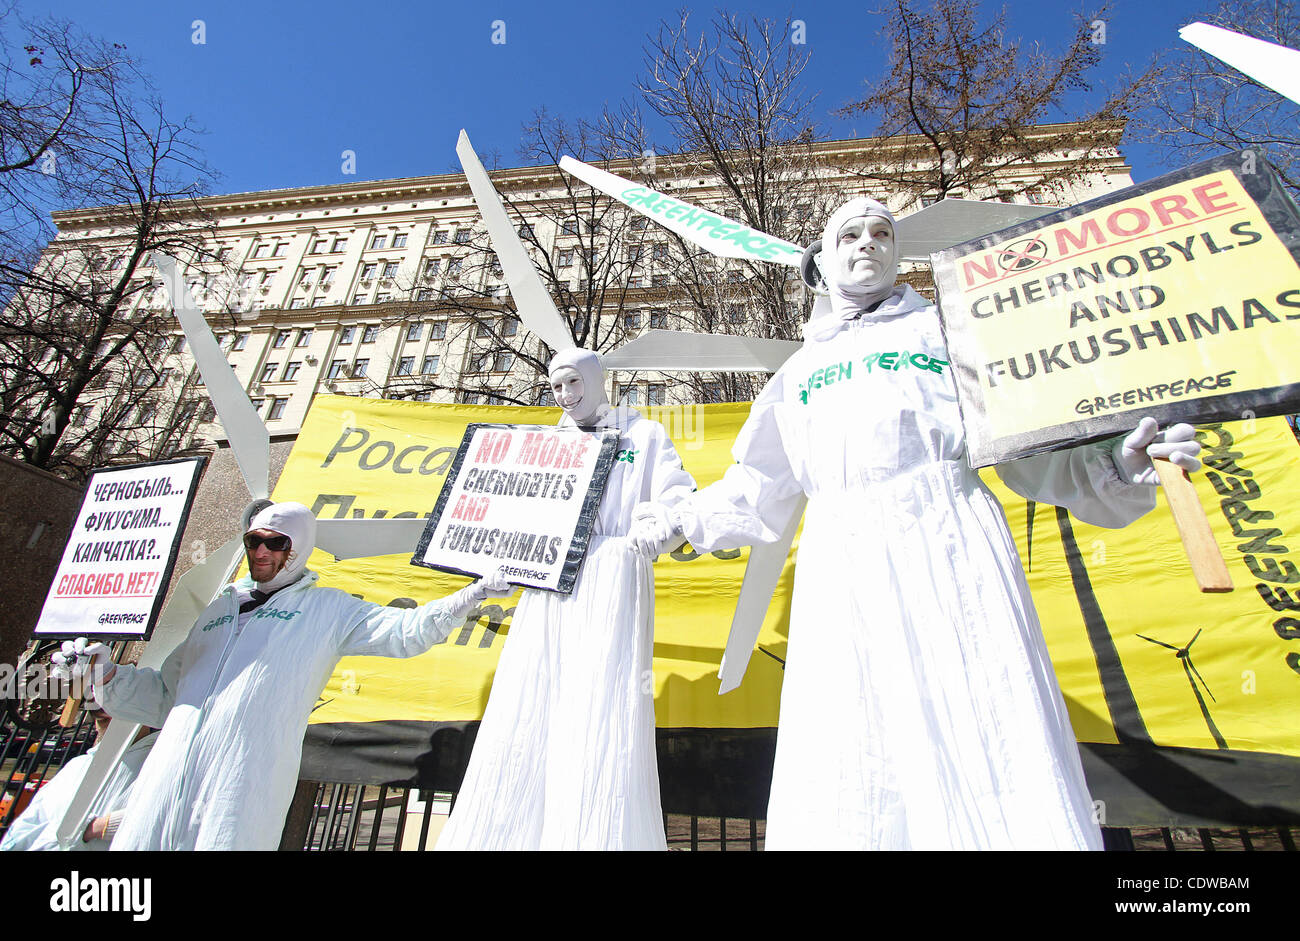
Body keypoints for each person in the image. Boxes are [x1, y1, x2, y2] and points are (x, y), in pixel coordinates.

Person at [629, 196, 1202, 850]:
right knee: (855, 751)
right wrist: (679, 517)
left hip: (950, 548)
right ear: (824, 253)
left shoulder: (951, 335)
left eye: (882, 232)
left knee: (982, 723)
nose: (868, 242)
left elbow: (1026, 449)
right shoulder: (798, 375)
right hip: (842, 568)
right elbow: (757, 488)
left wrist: (1117, 463)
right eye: (850, 232)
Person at [53, 501, 510, 851]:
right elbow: (162, 699)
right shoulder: (216, 610)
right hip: (161, 788)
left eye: (277, 543)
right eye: (255, 541)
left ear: (300, 548)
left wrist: (472, 595)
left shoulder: (327, 609)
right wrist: (107, 674)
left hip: (239, 791)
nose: (263, 552)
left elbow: (407, 633)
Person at [435, 348, 697, 850]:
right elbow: (514, 506)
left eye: (574, 382)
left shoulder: (641, 434)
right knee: (531, 694)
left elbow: (676, 494)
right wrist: (501, 553)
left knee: (603, 698)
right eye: (556, 387)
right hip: (550, 580)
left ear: (598, 381)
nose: (565, 395)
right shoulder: (546, 443)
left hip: (611, 574)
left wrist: (654, 529)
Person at [0, 709, 158, 852]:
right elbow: (24, 830)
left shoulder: (161, 762)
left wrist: (93, 828)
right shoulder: (77, 766)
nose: (101, 706)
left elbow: (168, 819)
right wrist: (86, 829)